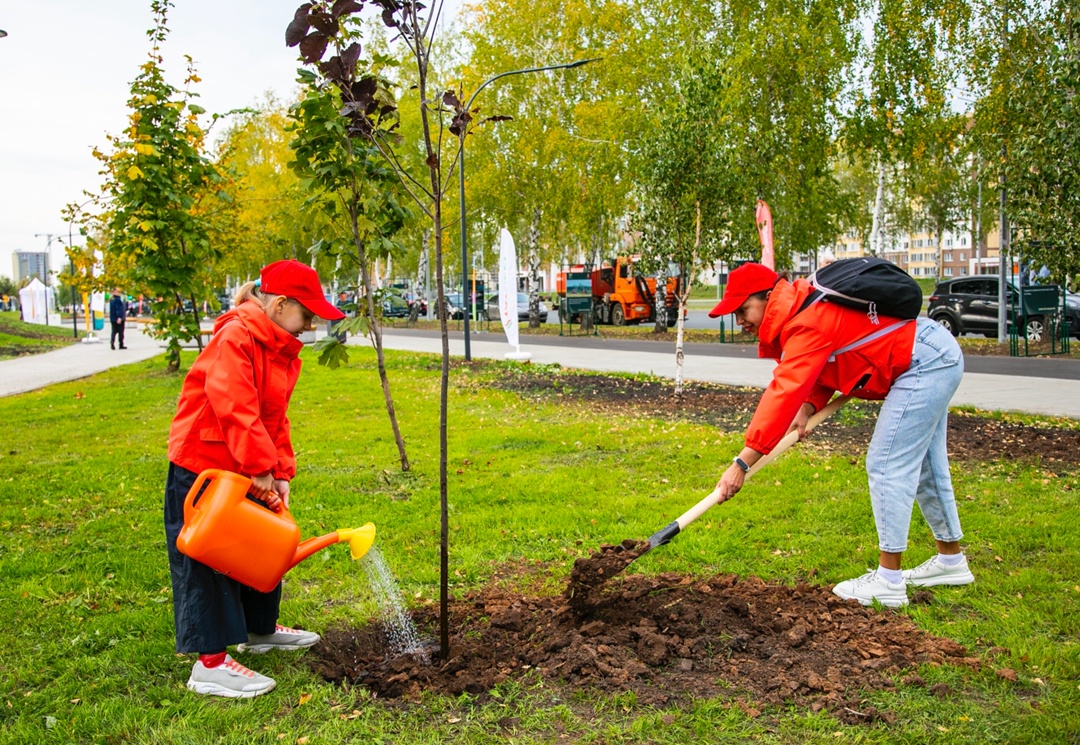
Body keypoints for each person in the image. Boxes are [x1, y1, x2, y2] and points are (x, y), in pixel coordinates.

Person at [711, 263, 973, 608]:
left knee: (886, 464)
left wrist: (742, 463)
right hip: (930, 352)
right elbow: (827, 365)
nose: (740, 321)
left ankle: (888, 581)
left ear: (767, 298)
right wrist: (809, 405)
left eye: (743, 310)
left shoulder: (807, 320)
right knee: (925, 465)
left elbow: (783, 391)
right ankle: (950, 561)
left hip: (923, 361)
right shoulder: (805, 310)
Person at [164, 259, 345, 698]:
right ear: (281, 304)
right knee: (207, 559)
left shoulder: (277, 347)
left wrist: (279, 471)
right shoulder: (236, 336)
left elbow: (273, 417)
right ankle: (209, 664)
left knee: (258, 545)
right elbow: (234, 406)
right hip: (203, 466)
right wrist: (260, 467)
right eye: (307, 315)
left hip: (243, 465)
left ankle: (259, 631)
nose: (310, 326)